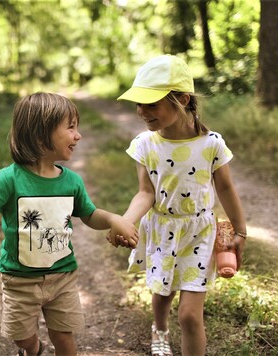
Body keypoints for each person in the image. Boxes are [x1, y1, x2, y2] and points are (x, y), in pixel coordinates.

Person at [0, 92, 138, 356]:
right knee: (21, 338)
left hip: (62, 277)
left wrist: (113, 220)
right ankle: (34, 349)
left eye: (78, 127)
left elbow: (88, 214)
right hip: (20, 281)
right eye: (70, 127)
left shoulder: (71, 181)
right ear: (40, 136)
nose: (78, 135)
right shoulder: (10, 179)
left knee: (64, 337)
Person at [113, 55, 247, 356]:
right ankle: (159, 329)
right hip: (162, 229)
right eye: (139, 103)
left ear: (182, 99)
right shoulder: (146, 144)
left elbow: (225, 187)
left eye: (151, 104)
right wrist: (126, 221)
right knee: (162, 292)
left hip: (199, 232)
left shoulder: (211, 143)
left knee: (189, 315)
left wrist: (241, 230)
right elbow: (145, 193)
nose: (141, 111)